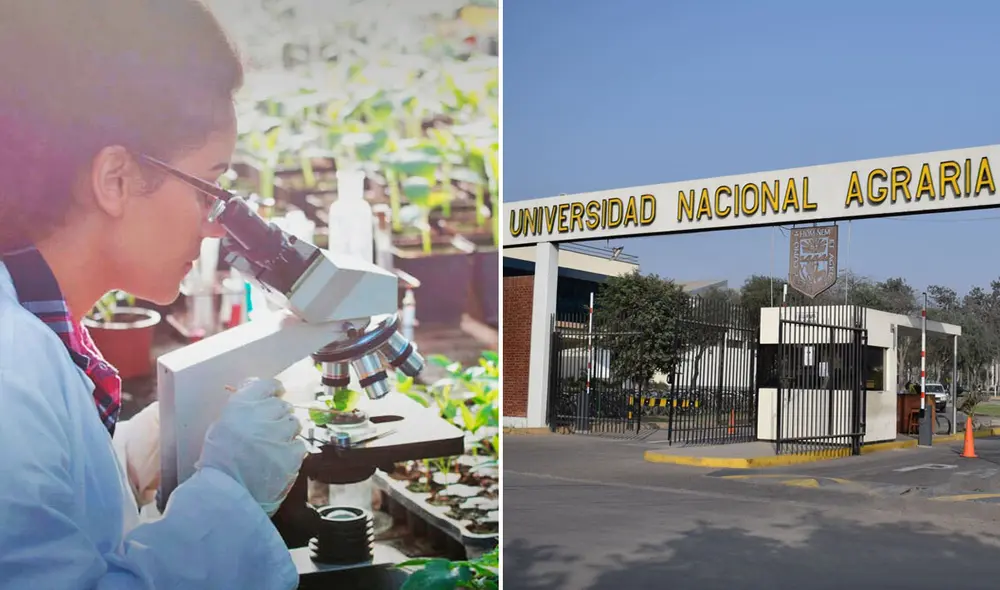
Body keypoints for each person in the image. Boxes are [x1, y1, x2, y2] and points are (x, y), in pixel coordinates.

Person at [0, 0, 306, 587]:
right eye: (210, 184)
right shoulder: (10, 367)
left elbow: (47, 518)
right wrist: (231, 494)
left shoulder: (31, 321)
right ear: (116, 180)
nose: (218, 223)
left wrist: (142, 446)